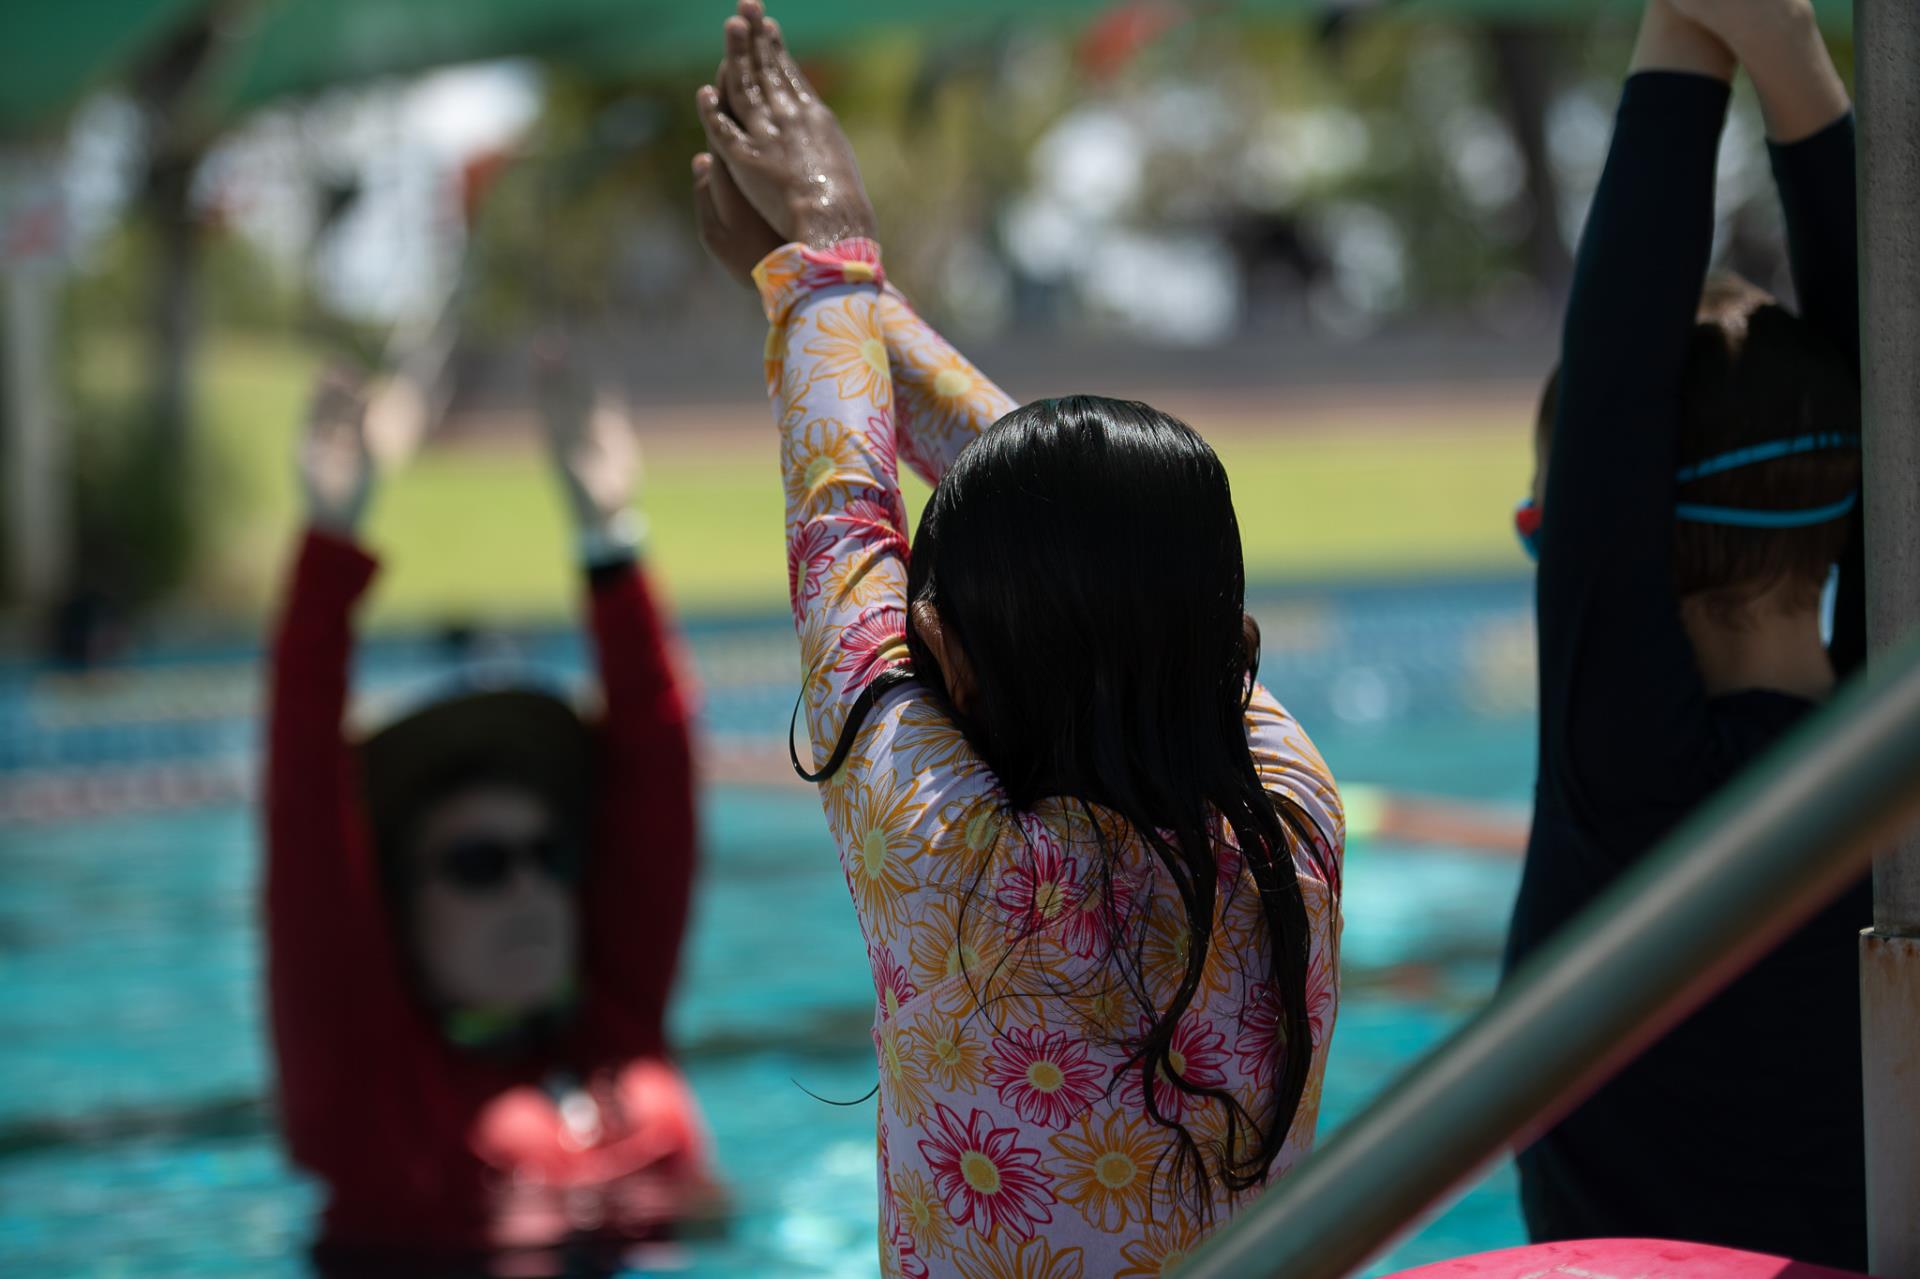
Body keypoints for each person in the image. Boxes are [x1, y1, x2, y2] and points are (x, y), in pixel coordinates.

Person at [691, 6, 1345, 1276]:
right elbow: (1086, 526)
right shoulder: (1290, 815)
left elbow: (842, 531)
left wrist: (822, 266)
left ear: (964, 655)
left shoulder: (956, 864)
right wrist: (829, 275)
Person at [1506, 0, 1868, 1264]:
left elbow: (1610, 387)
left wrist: (1688, 30)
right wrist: (1784, 53)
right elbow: (1888, 353)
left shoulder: (1636, 781)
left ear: (1586, 535)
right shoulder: (1896, 743)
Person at [263, 352, 721, 1277]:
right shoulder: (368, 1085)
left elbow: (661, 776)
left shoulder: (611, 1024)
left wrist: (609, 533)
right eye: (479, 864)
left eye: (547, 857)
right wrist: (329, 535)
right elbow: (304, 809)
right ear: (399, 906)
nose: (528, 888)